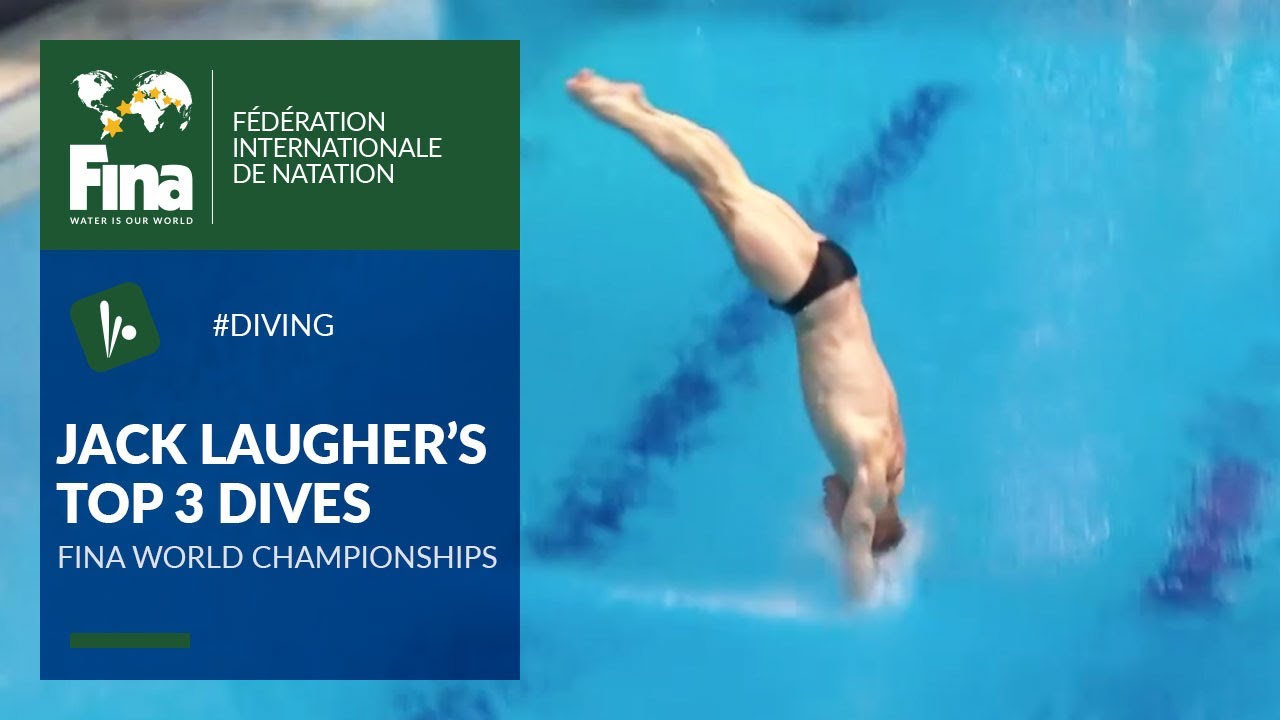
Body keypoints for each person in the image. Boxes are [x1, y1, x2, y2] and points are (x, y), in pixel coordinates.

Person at [567, 69, 907, 600]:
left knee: (726, 179)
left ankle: (637, 106)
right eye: (833, 516)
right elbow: (862, 534)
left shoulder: (894, 464)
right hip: (806, 292)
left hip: (837, 278)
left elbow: (882, 522)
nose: (824, 506)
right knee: (719, 186)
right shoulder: (864, 466)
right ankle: (613, 107)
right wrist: (859, 605)